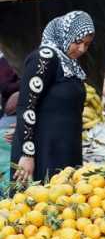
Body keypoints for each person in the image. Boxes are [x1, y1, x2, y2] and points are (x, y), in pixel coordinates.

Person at [11, 11, 94, 183]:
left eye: (87, 44)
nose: (82, 49)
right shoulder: (45, 58)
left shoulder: (70, 63)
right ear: (66, 34)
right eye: (78, 42)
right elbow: (27, 106)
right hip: (43, 153)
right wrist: (27, 153)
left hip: (65, 151)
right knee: (38, 205)